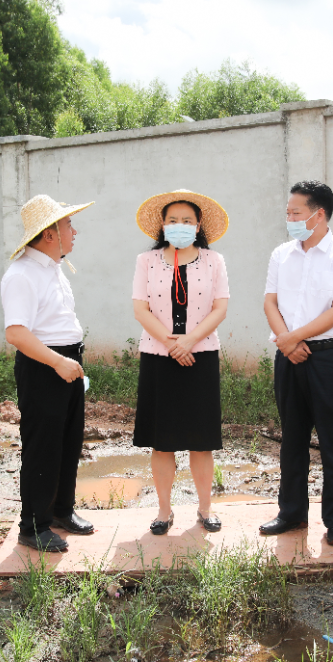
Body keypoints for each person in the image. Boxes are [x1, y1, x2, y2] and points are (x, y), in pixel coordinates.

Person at [261, 181, 333, 547]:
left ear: (318, 215)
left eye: (295, 213)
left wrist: (291, 338)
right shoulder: (281, 254)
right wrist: (287, 343)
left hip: (330, 357)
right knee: (292, 439)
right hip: (289, 357)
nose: (289, 219)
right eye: (288, 212)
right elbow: (270, 302)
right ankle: (290, 513)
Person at [132, 190, 230, 534]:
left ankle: (205, 509)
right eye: (173, 220)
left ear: (198, 224)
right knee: (162, 440)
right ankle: (163, 510)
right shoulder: (146, 261)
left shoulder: (213, 261)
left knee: (201, 440)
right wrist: (171, 343)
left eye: (187, 220)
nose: (179, 225)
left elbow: (220, 306)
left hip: (200, 357)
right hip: (159, 358)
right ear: (162, 224)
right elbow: (140, 308)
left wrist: (189, 340)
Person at [2, 194, 95, 552]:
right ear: (49, 234)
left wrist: (67, 361)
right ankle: (33, 526)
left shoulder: (53, 270)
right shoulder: (22, 275)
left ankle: (60, 511)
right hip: (45, 367)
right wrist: (57, 361)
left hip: (67, 364)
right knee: (43, 447)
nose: (75, 231)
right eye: (68, 225)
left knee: (68, 442)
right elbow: (16, 333)